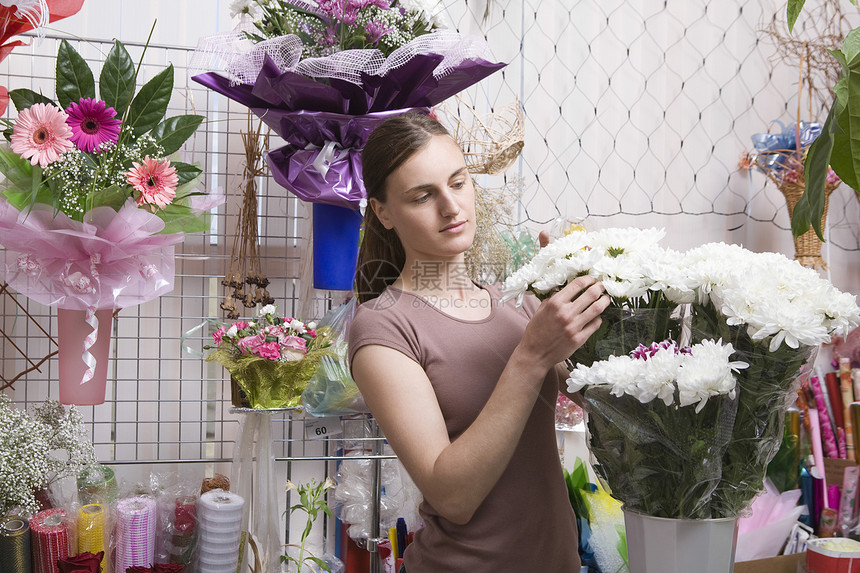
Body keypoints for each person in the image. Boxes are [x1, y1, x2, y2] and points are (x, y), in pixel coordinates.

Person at [348, 112, 610, 572]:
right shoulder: (383, 328)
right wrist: (529, 357)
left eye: (458, 182)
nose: (451, 207)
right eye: (422, 195)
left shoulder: (519, 304)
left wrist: (584, 293)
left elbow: (612, 408)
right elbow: (453, 497)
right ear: (384, 212)